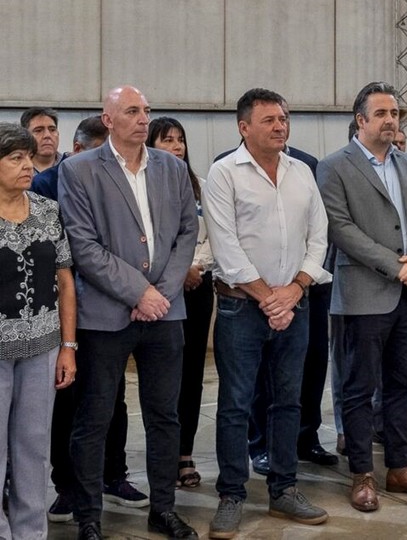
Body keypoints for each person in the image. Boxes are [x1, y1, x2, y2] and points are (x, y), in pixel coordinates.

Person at [59, 86, 199, 540]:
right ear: (108, 118)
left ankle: (163, 508)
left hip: (166, 311)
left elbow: (186, 232)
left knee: (165, 416)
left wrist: (162, 291)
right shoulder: (79, 170)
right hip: (105, 315)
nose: (143, 119)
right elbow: (83, 246)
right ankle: (89, 517)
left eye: (146, 111)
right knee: (94, 418)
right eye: (132, 111)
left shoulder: (173, 168)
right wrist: (139, 292)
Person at [317, 81, 407, 513]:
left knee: (401, 386)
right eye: (382, 114)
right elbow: (340, 228)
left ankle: (401, 466)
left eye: (395, 114)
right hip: (364, 294)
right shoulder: (335, 166)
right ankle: (362, 473)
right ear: (361, 120)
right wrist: (398, 266)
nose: (392, 121)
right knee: (358, 389)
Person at [204, 88, 330, 537]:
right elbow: (226, 248)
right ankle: (232, 495)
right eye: (270, 120)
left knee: (287, 402)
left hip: (296, 306)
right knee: (236, 405)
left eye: (284, 118)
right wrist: (269, 298)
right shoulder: (223, 174)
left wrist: (294, 290)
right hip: (242, 309)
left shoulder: (302, 172)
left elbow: (320, 236)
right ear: (244, 127)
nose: (280, 126)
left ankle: (284, 489)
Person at [33, 116, 148, 524]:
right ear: (82, 152)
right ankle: (67, 486)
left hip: (108, 303)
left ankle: (113, 475)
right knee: (68, 405)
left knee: (111, 397)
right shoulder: (46, 186)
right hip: (63, 309)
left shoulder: (116, 179)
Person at [0, 122, 76, 540]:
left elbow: (65, 281)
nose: (27, 165)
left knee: (33, 448)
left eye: (28, 157)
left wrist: (68, 346)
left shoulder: (47, 211)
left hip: (43, 348)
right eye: (15, 157)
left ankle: (31, 532)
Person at [146, 117, 215, 485]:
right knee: (162, 376)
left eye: (180, 140)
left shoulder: (199, 186)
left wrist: (195, 267)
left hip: (198, 287)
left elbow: (210, 236)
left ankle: (184, 453)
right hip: (160, 290)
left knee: (191, 374)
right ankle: (162, 454)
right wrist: (177, 271)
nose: (175, 146)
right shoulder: (144, 186)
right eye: (166, 139)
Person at [20, 107, 62, 172]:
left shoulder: (71, 166)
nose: (47, 135)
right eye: (38, 130)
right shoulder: (17, 169)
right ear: (25, 136)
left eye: (52, 130)